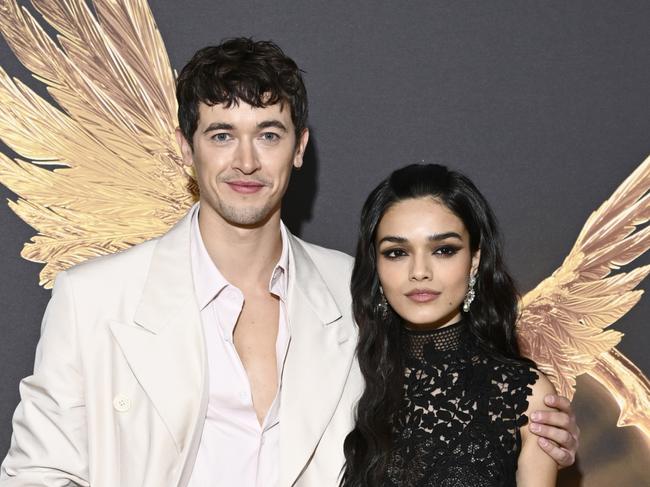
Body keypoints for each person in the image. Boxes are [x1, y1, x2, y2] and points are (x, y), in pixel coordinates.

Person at [1, 39, 578, 487]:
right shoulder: (94, 299)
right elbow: (39, 473)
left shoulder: (358, 288)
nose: (246, 161)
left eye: (269, 134)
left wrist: (537, 437)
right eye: (222, 134)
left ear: (299, 147)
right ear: (186, 149)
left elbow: (451, 401)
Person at [341, 163, 561, 486]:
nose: (419, 271)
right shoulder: (349, 375)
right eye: (397, 252)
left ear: (474, 261)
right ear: (375, 264)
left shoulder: (525, 397)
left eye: (443, 250)